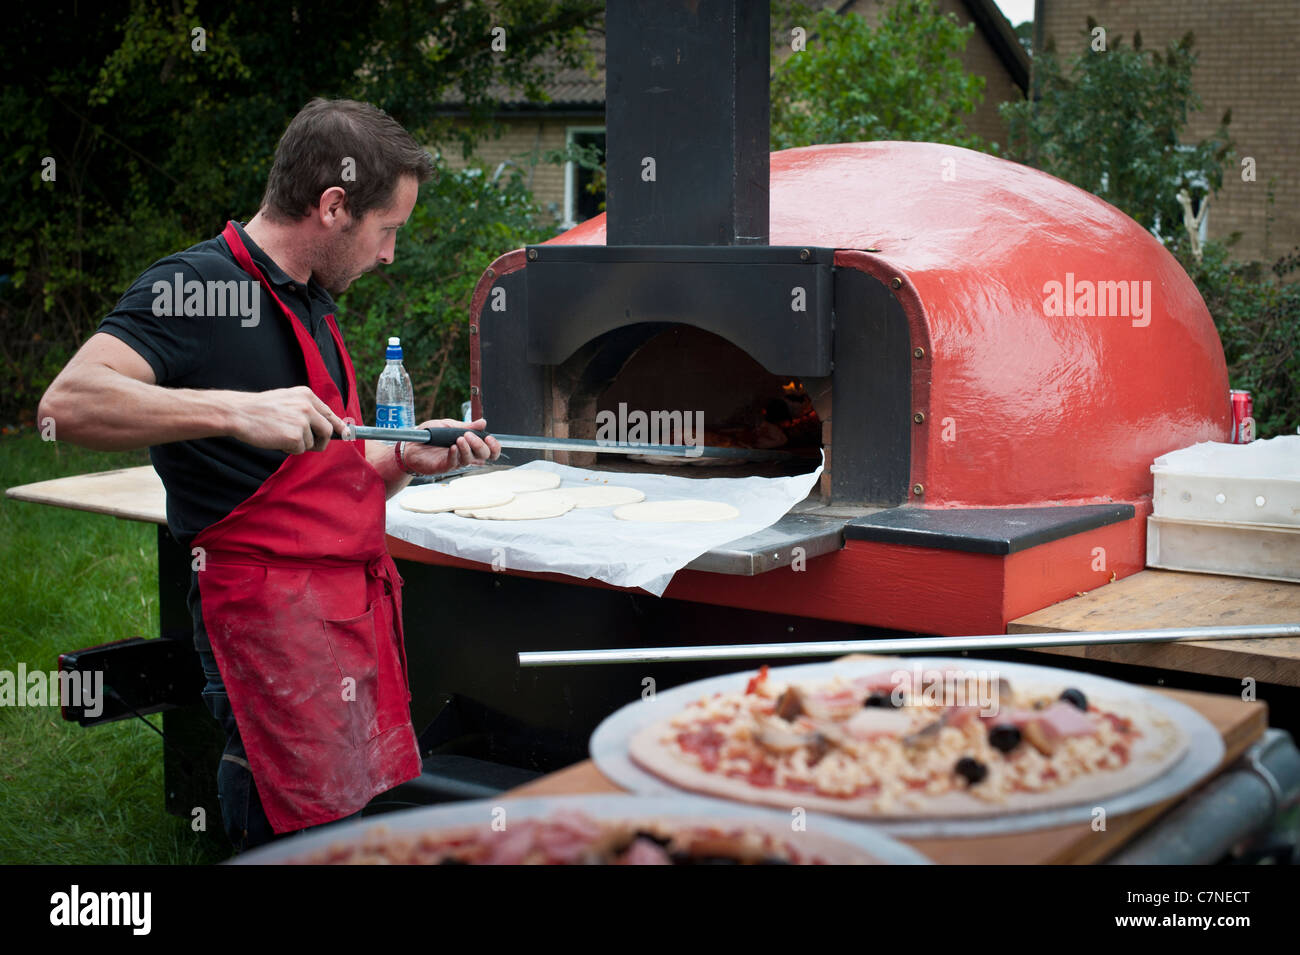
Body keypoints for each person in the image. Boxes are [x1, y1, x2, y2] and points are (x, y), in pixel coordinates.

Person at [38, 98, 501, 851]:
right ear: (333, 205)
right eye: (388, 230)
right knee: (282, 834)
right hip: (269, 635)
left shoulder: (310, 300)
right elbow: (67, 404)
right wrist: (234, 411)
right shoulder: (195, 285)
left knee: (338, 837)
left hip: (340, 625)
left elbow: (318, 475)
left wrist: (401, 461)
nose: (390, 254)